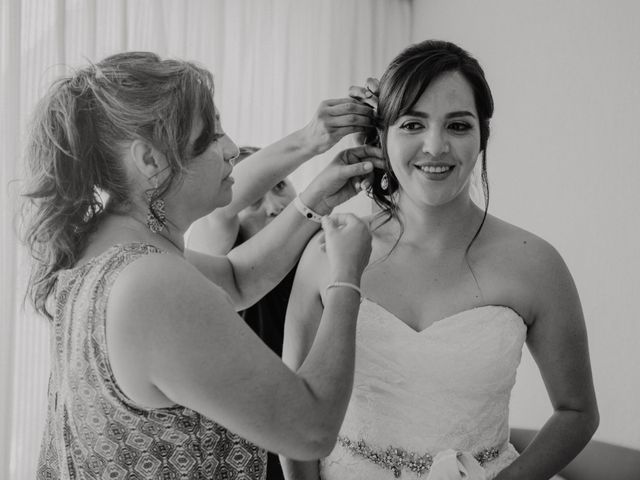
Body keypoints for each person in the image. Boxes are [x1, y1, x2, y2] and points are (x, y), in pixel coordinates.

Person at [21, 51, 383, 480]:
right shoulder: (152, 284)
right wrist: (345, 280)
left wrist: (314, 199)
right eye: (210, 136)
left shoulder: (104, 249)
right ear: (150, 160)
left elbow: (236, 280)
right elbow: (311, 431)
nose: (231, 149)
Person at [281, 40, 599, 480]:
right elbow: (290, 415)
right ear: (382, 138)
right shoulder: (326, 252)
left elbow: (577, 411)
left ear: (482, 136)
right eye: (412, 124)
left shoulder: (536, 264)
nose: (435, 146)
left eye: (458, 125)